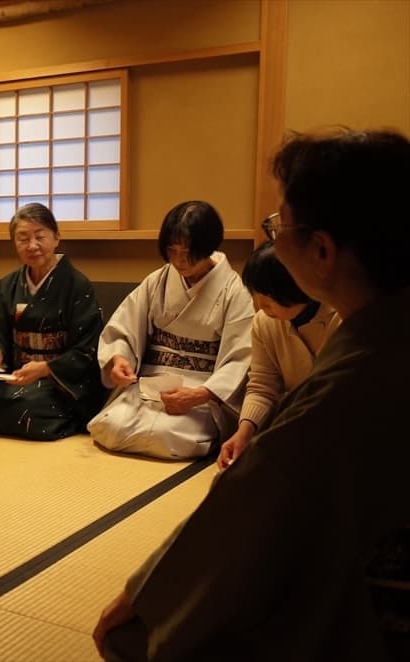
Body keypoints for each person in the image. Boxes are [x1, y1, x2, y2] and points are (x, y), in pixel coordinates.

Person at [94, 128, 410, 660]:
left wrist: (143, 592)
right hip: (157, 384)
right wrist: (119, 358)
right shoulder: (385, 331)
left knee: (134, 636)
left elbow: (247, 508)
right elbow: (258, 386)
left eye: (278, 224)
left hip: (376, 593)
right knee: (113, 423)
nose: (272, 237)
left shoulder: (348, 380)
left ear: (322, 251)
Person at [87, 201, 253, 459]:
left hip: (200, 390)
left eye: (187, 252)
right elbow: (124, 326)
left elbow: (240, 356)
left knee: (167, 436)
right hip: (150, 384)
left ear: (208, 246)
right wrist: (118, 359)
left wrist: (201, 394)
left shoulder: (234, 292)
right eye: (172, 251)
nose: (179, 260)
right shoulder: (158, 281)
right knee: (111, 427)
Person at [0, 202, 104, 441]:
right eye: (23, 239)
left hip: (59, 383)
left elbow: (87, 348)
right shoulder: (9, 285)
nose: (32, 246)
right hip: (18, 376)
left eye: (40, 236)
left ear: (56, 238)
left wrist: (46, 368)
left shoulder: (77, 285)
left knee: (27, 413)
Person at [216, 241, 340, 470]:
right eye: (254, 294)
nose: (258, 305)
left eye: (268, 297)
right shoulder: (264, 322)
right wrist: (244, 431)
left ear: (297, 286)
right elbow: (262, 386)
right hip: (296, 426)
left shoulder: (341, 317)